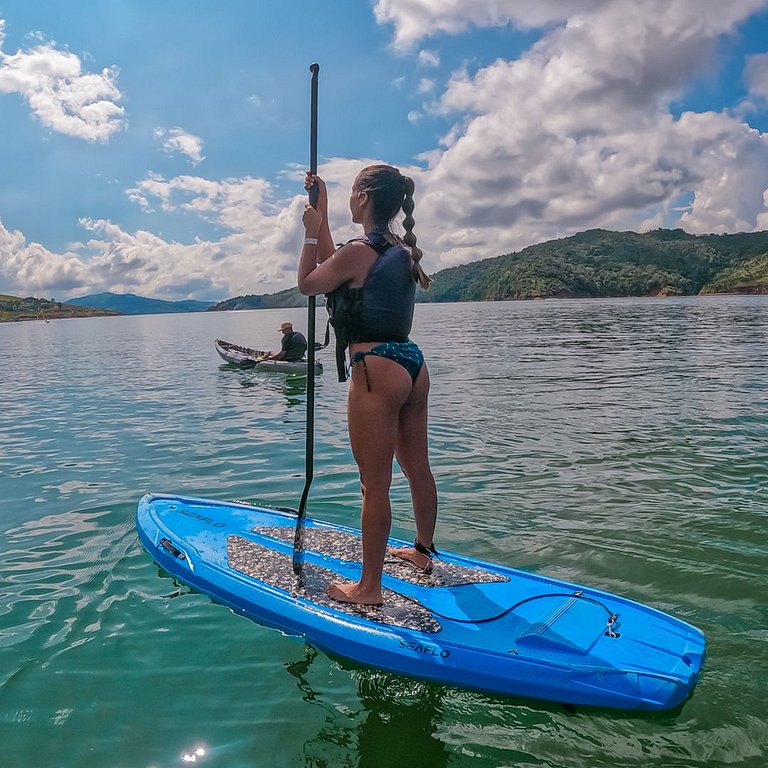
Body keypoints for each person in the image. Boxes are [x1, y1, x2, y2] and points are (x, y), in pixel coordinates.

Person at [297, 164, 438, 606]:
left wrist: (308, 233)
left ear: (362, 196)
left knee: (372, 485)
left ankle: (369, 588)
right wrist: (319, 211)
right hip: (412, 364)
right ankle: (421, 552)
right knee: (417, 467)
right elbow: (338, 258)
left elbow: (308, 283)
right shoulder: (397, 247)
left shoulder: (361, 252)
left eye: (350, 190)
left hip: (375, 368)